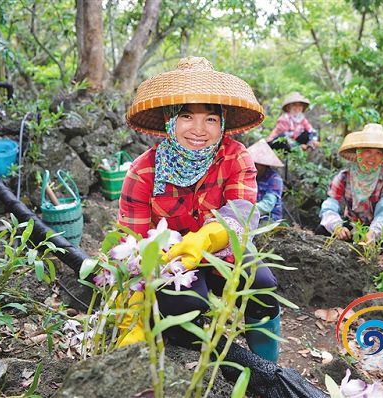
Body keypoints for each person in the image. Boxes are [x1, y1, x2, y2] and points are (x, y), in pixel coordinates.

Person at [117, 57, 281, 362]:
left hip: (224, 249)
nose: (199, 129)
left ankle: (268, 371)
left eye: (210, 118)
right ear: (170, 120)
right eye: (186, 116)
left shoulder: (235, 157)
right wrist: (133, 307)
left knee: (262, 285)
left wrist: (204, 239)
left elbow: (242, 213)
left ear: (221, 123)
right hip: (170, 263)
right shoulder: (143, 172)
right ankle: (189, 358)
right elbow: (133, 243)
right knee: (185, 302)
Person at [315, 124, 383, 254]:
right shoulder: (345, 176)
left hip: (379, 228)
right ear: (358, 153)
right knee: (321, 230)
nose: (372, 157)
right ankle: (351, 243)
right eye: (368, 151)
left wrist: (373, 233)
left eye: (378, 153)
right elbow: (330, 204)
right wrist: (337, 227)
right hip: (354, 226)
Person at [246, 139, 284, 222]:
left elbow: (268, 205)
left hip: (269, 219)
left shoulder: (274, 179)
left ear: (264, 165)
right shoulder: (248, 176)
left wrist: (246, 210)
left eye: (256, 164)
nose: (253, 166)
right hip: (250, 216)